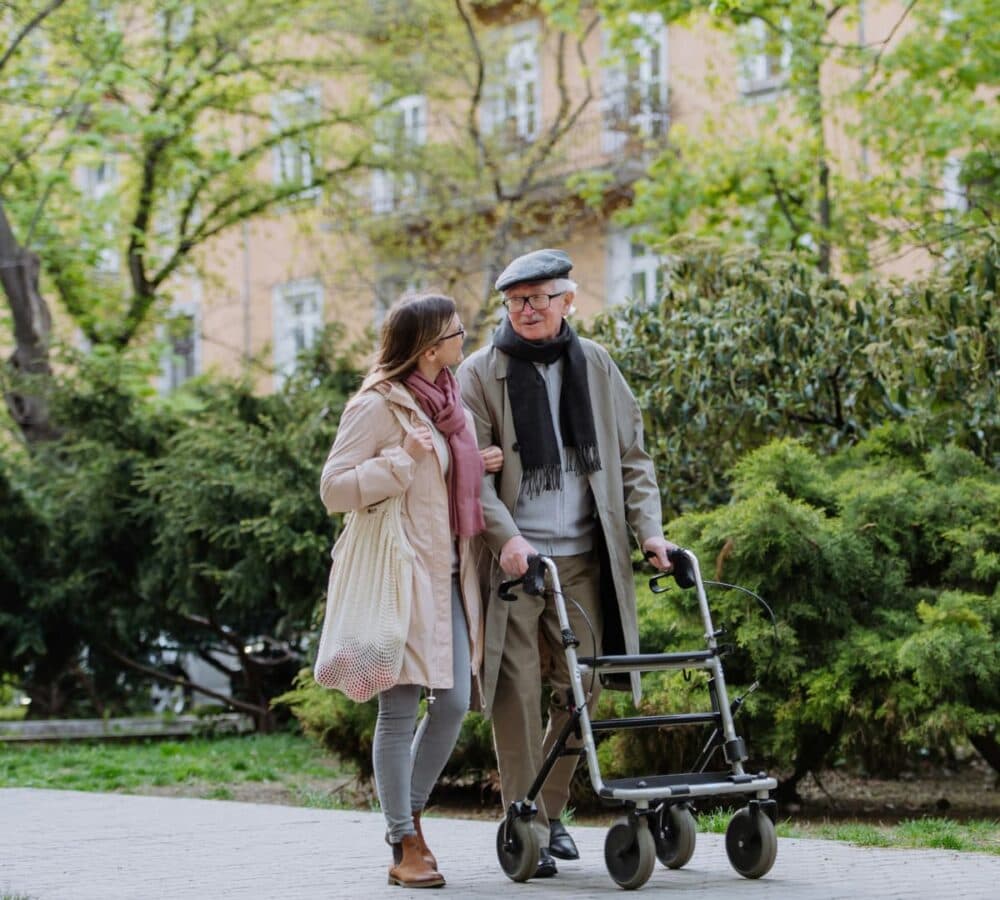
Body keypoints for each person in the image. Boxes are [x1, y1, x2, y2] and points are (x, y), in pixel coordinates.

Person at [457, 249, 676, 878]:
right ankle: (522, 820)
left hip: (584, 556)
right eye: (515, 301)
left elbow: (633, 459)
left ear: (568, 301)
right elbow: (472, 477)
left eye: (539, 298)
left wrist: (650, 535)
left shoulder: (598, 365)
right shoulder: (480, 373)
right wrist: (506, 539)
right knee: (517, 689)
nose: (526, 310)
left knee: (580, 689)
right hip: (515, 561)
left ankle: (548, 814)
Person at [320, 293, 502, 888]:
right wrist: (400, 460)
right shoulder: (375, 406)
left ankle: (411, 814)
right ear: (428, 349)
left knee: (452, 703)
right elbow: (334, 490)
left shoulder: (451, 405)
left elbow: (449, 472)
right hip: (400, 577)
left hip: (449, 571)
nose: (463, 339)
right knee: (398, 709)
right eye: (455, 333)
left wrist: (478, 462)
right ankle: (403, 839)